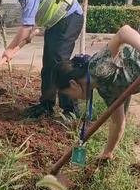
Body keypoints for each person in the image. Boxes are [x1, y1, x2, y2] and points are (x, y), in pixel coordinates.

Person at [0, 0, 83, 118]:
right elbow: (32, 18)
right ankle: (46, 105)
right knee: (49, 65)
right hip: (56, 23)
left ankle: (71, 111)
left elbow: (26, 25)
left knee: (61, 65)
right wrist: (29, 33)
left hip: (69, 18)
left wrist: (10, 48)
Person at [54, 25, 140, 162]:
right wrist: (107, 152)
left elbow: (123, 32)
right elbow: (118, 122)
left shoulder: (96, 67)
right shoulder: (105, 90)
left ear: (73, 84)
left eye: (70, 94)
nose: (73, 98)